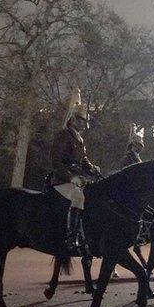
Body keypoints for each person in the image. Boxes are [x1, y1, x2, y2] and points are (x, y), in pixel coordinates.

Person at [50, 89, 101, 253]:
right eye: (81, 120)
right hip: (62, 180)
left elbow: (83, 160)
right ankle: (72, 236)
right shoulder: (64, 135)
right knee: (78, 196)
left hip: (78, 178)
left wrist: (92, 168)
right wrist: (71, 178)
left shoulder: (79, 139)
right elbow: (55, 161)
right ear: (73, 119)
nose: (83, 123)